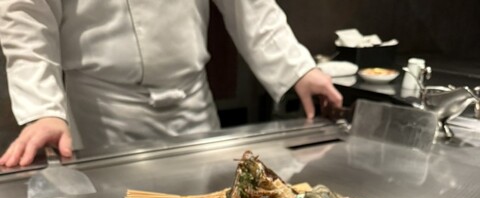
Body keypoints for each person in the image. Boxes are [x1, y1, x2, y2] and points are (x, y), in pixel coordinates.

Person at [0, 0, 343, 168]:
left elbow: (248, 4)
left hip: (193, 105)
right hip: (102, 113)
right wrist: (43, 109)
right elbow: (26, 12)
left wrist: (296, 68)